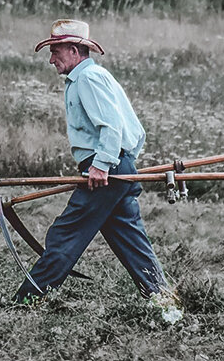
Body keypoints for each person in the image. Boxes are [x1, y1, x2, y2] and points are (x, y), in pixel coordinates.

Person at [17, 19, 182, 322]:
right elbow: (134, 131)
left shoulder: (88, 80)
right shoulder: (90, 77)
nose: (52, 59)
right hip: (114, 168)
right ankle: (167, 307)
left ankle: (24, 302)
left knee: (65, 234)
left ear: (75, 50)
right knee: (132, 242)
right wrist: (120, 163)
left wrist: (102, 165)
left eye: (56, 52)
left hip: (105, 171)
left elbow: (112, 126)